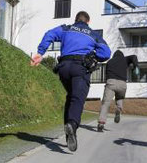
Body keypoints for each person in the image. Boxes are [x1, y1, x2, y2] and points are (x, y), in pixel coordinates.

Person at [31, 11, 111, 152]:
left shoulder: (66, 28)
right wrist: (93, 55)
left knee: (71, 97)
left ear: (76, 20)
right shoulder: (93, 34)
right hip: (80, 68)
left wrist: (40, 52)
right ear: (88, 22)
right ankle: (72, 125)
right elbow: (106, 53)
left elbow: (49, 33)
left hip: (63, 68)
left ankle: (69, 133)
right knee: (77, 98)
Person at [97, 50, 138, 132]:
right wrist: (135, 66)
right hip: (122, 84)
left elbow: (106, 74)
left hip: (111, 82)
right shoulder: (125, 59)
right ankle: (119, 109)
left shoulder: (110, 62)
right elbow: (134, 57)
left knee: (106, 104)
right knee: (119, 97)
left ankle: (101, 123)